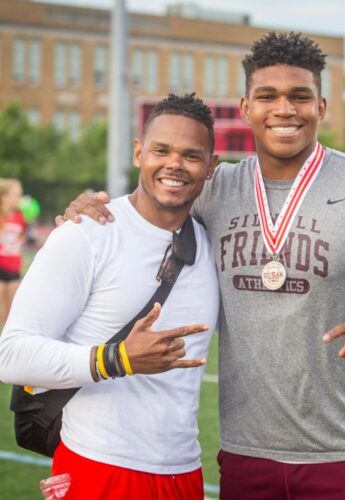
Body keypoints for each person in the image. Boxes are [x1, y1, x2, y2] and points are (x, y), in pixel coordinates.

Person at [59, 32, 345, 500]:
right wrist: (90, 209)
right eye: (268, 96)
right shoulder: (214, 191)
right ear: (245, 107)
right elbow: (150, 208)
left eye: (300, 96)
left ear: (321, 106)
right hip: (246, 456)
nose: (284, 109)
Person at [0, 94, 220, 499]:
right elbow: (12, 355)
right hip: (98, 467)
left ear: (211, 167)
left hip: (184, 473)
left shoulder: (213, 243)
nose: (174, 164)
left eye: (191, 155)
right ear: (139, 152)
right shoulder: (86, 233)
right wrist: (116, 358)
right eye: (161, 150)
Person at [0, 178, 26, 325]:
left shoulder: (20, 216)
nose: (19, 198)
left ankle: (5, 341)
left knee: (11, 309)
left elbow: (21, 237)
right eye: (16, 195)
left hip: (14, 265)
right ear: (4, 197)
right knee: (2, 306)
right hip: (0, 265)